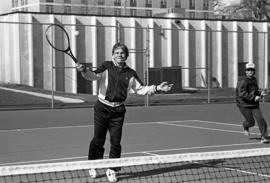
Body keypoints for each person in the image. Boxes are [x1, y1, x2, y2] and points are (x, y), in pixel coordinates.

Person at [76, 42, 173, 182]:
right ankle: (93, 164)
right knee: (98, 139)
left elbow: (141, 89)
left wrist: (158, 87)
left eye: (122, 53)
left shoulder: (131, 73)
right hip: (102, 108)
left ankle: (112, 169)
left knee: (116, 142)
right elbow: (93, 76)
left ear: (126, 55)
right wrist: (84, 70)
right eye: (117, 53)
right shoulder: (106, 66)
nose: (119, 55)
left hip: (118, 111)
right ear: (112, 55)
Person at [236, 62, 269, 144]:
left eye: (252, 70)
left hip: (254, 104)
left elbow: (255, 91)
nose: (250, 71)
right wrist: (254, 97)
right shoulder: (242, 80)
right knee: (251, 122)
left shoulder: (254, 79)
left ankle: (264, 137)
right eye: (248, 70)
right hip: (244, 104)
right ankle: (245, 126)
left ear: (254, 71)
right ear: (245, 71)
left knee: (260, 119)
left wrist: (260, 94)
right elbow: (242, 93)